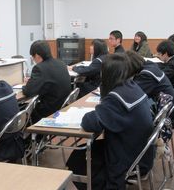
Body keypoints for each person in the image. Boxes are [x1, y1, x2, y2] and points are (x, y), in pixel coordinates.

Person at [66, 53, 154, 190]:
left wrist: (99, 108)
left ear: (107, 74)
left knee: (78, 159)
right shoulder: (131, 87)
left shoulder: (117, 98)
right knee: (82, 153)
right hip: (139, 151)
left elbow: (90, 123)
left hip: (128, 156)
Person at [126, 50, 174, 127]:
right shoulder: (149, 65)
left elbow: (133, 96)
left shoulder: (146, 75)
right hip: (166, 108)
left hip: (165, 117)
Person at [22, 40, 71, 123]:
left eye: (32, 57)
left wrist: (27, 84)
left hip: (48, 111)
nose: (33, 60)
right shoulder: (61, 63)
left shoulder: (40, 68)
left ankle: (30, 135)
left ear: (37, 55)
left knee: (22, 110)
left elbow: (28, 91)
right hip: (62, 106)